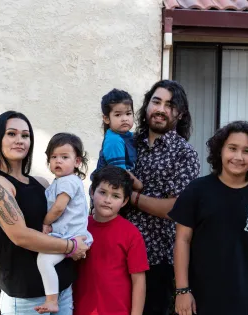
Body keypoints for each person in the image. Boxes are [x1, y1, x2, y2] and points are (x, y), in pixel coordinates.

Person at [0, 111, 89, 315]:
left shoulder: (42, 182)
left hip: (62, 289)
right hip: (27, 299)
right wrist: (71, 246)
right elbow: (21, 236)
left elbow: (69, 213)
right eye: (11, 134)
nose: (19, 140)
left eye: (25, 135)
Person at [169, 121, 248, 315]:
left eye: (247, 151)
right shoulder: (197, 191)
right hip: (196, 302)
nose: (238, 157)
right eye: (232, 148)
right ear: (220, 150)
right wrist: (182, 290)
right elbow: (182, 240)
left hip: (242, 303)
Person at [126, 80, 200, 314]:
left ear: (180, 113)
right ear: (147, 105)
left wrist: (132, 198)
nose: (161, 109)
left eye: (169, 105)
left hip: (156, 261)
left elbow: (175, 209)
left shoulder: (184, 154)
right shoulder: (126, 143)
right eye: (156, 101)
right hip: (116, 252)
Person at [74, 166, 149, 315]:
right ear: (91, 192)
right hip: (81, 308)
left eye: (115, 196)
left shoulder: (131, 234)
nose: (108, 200)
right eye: (102, 192)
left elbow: (139, 280)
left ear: (124, 201)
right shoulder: (79, 227)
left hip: (117, 310)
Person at [35, 133, 94, 314]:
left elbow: (59, 208)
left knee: (44, 261)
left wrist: (46, 222)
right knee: (47, 261)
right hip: (70, 235)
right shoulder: (62, 181)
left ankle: (52, 300)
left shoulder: (67, 182)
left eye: (64, 157)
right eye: (54, 157)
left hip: (70, 236)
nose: (58, 161)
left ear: (77, 162)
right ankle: (54, 298)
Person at [93, 88, 136, 173]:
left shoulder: (129, 136)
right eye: (118, 115)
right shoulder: (114, 141)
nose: (124, 119)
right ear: (106, 119)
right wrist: (139, 185)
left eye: (128, 114)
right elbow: (119, 173)